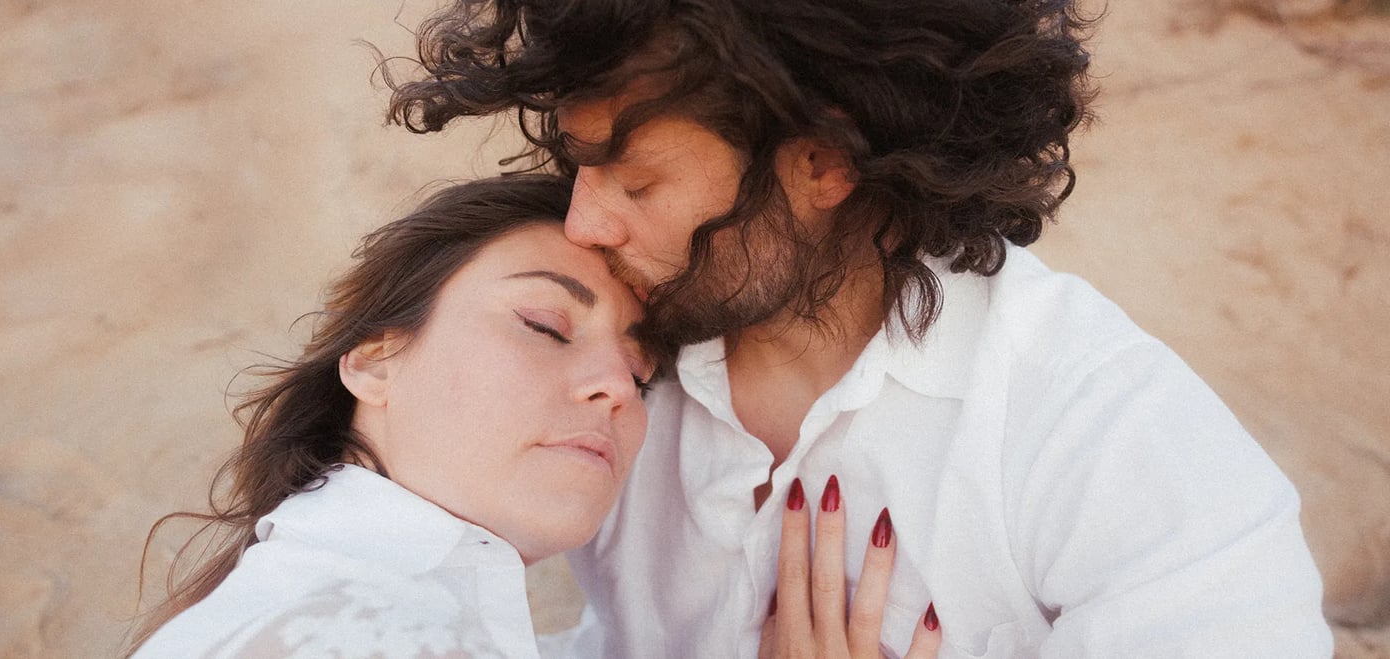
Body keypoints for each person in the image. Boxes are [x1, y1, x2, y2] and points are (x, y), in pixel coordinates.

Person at [384, 1, 1334, 657]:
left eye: (637, 182)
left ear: (823, 163)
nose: (584, 224)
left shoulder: (1104, 432)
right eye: (578, 167)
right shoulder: (594, 369)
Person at [127, 175, 943, 658]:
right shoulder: (362, 631)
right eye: (546, 326)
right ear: (375, 360)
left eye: (642, 373)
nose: (617, 387)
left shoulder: (321, 598)